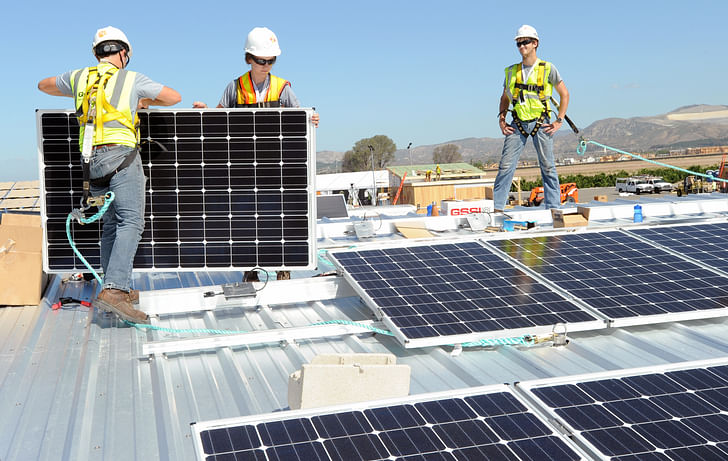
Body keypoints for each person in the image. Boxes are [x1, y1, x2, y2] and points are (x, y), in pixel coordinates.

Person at [38, 26, 181, 324]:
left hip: (92, 163)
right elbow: (173, 97)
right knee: (131, 221)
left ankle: (114, 286)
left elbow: (43, 85)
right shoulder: (131, 78)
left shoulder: (79, 77)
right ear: (124, 53)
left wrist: (77, 91)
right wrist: (142, 102)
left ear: (95, 53)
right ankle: (115, 290)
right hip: (122, 156)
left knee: (112, 225)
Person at [193, 26, 318, 282]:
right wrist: (204, 111)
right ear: (249, 58)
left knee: (278, 215)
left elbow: (299, 120)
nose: (266, 65)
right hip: (243, 167)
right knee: (245, 217)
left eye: (271, 60)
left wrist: (312, 119)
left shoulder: (283, 89)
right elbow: (218, 120)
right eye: (262, 60)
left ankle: (283, 265)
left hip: (275, 166)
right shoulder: (235, 87)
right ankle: (250, 268)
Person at [493, 25, 570, 212]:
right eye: (519, 43)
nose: (521, 46)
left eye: (525, 42)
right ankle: (497, 209)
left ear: (535, 43)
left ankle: (553, 209)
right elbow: (504, 98)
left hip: (540, 123)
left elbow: (564, 94)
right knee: (505, 167)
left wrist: (559, 120)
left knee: (548, 167)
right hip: (517, 123)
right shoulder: (511, 71)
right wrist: (502, 120)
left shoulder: (547, 69)